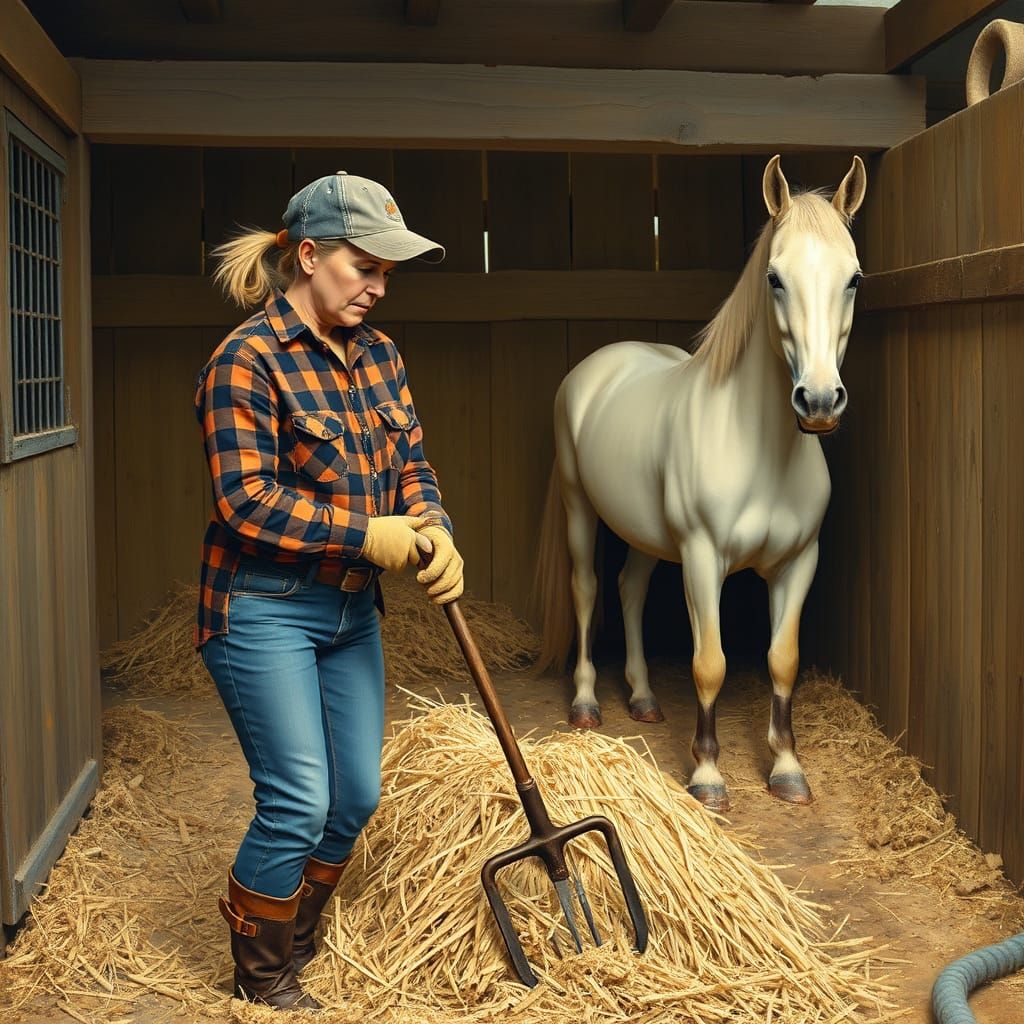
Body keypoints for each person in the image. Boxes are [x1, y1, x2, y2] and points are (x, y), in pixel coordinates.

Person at [193, 171, 464, 1010]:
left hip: (351, 611)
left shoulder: (380, 356)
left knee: (354, 797)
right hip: (261, 606)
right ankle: (263, 975)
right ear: (308, 256)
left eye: (388, 273)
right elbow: (244, 501)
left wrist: (432, 522)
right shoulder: (244, 362)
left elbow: (409, 462)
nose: (378, 288)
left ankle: (297, 935)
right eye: (364, 267)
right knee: (299, 798)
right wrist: (365, 533)